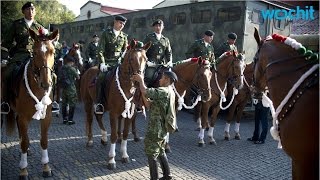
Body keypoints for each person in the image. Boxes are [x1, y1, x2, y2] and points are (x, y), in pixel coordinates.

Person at [1, 2, 47, 114]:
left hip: (37, 57)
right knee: (8, 74)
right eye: (28, 9)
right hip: (20, 55)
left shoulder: (39, 27)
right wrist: (4, 57)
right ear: (23, 11)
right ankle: (5, 102)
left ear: (35, 12)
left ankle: (50, 101)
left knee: (52, 75)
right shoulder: (16, 25)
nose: (30, 12)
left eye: (32, 9)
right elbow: (6, 43)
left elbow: (48, 41)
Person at [131, 71, 177, 180]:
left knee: (151, 153)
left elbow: (147, 92)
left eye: (162, 78)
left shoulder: (164, 91)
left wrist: (141, 80)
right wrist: (142, 92)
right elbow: (149, 104)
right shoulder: (170, 91)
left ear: (167, 80)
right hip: (161, 128)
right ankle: (167, 175)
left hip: (156, 128)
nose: (160, 80)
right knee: (160, 150)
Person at [94, 15, 128, 114]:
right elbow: (100, 50)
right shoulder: (106, 33)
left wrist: (122, 60)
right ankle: (99, 103)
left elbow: (125, 51)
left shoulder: (124, 36)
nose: (122, 25)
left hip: (118, 63)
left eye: (123, 24)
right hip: (107, 62)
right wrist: (103, 63)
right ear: (115, 22)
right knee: (101, 78)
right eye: (120, 23)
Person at [59, 57, 80, 125]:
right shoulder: (72, 69)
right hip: (71, 88)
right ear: (71, 62)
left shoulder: (62, 68)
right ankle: (70, 120)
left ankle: (64, 119)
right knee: (72, 104)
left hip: (64, 88)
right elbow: (78, 77)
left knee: (64, 104)